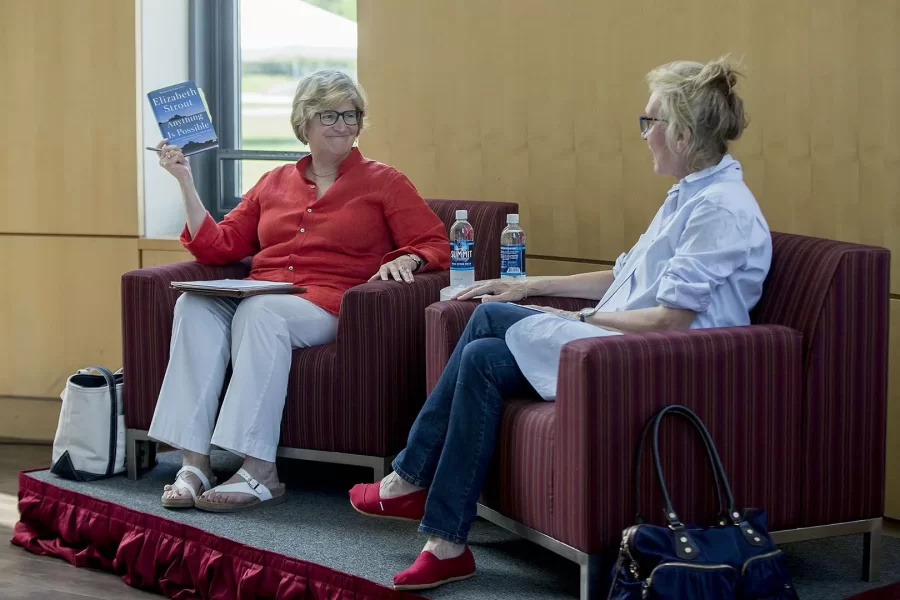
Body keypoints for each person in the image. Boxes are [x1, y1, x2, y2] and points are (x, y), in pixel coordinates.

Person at [350, 56, 772, 591]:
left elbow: (672, 317)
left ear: (683, 134)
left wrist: (575, 316)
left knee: (488, 317)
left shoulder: (720, 209)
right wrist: (529, 286)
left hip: (666, 362)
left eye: (650, 123)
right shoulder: (687, 195)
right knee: (482, 353)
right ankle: (445, 540)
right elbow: (623, 276)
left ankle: (408, 477)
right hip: (623, 343)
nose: (644, 135)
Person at [149, 69, 450, 513]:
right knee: (193, 304)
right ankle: (194, 463)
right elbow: (219, 246)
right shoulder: (272, 182)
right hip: (260, 293)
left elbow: (435, 241)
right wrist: (185, 182)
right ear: (304, 121)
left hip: (326, 304)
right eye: (330, 114)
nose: (343, 125)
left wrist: (408, 257)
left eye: (352, 115)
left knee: (261, 314)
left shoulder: (385, 181)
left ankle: (259, 471)